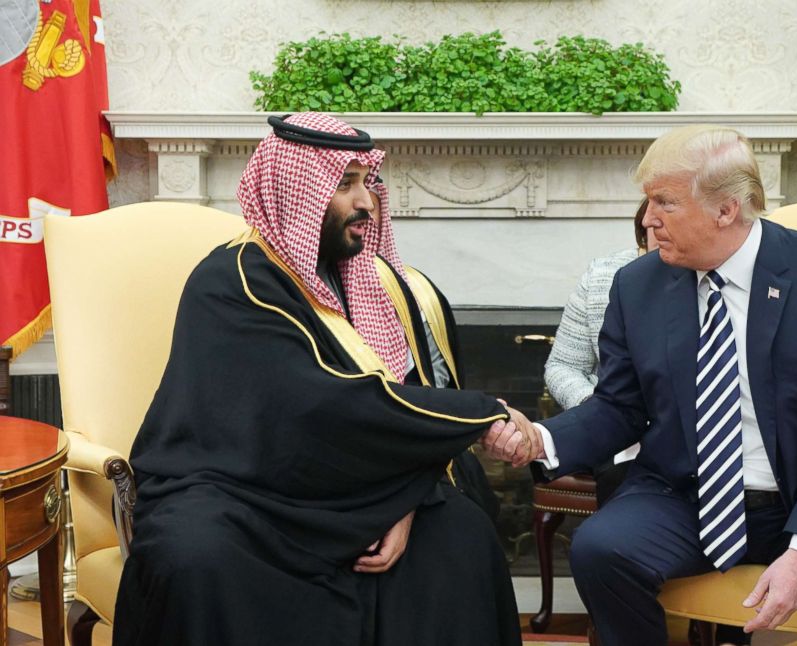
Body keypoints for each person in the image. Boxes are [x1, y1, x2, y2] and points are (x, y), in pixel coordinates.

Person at [487, 124, 797, 646]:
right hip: (688, 494)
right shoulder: (639, 285)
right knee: (602, 550)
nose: (648, 220)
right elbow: (618, 407)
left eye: (664, 203)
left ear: (726, 210)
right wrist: (543, 438)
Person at [113, 113, 522, 646]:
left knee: (459, 538)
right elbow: (316, 406)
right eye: (344, 184)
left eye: (367, 182)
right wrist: (483, 413)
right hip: (240, 491)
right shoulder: (232, 283)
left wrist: (407, 501)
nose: (366, 203)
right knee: (194, 556)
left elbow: (425, 394)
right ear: (295, 192)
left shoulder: (390, 288)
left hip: (366, 487)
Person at [543, 198, 653, 505]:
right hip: (615, 431)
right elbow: (562, 365)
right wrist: (595, 406)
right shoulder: (603, 276)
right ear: (642, 236)